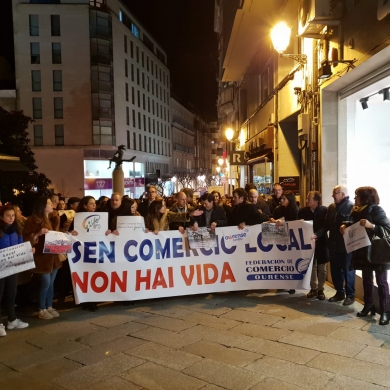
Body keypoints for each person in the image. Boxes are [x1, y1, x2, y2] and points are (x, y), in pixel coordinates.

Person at [341, 186, 390, 325]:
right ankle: (369, 306)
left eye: (357, 196)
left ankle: (385, 311)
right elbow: (356, 225)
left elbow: (387, 230)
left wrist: (372, 226)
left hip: (378, 252)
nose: (355, 198)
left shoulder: (376, 210)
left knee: (381, 282)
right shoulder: (357, 211)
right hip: (363, 251)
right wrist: (345, 225)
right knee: (367, 280)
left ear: (365, 198)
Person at [23, 196, 62, 320]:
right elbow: (26, 238)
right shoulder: (32, 220)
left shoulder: (52, 218)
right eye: (49, 203)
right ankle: (41, 308)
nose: (52, 205)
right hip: (41, 256)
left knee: (51, 283)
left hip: (53, 255)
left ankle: (49, 306)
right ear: (42, 206)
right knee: (45, 283)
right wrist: (38, 234)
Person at [0, 205, 32, 336]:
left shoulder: (17, 229)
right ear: (1, 217)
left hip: (12, 267)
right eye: (8, 215)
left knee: (12, 292)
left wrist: (28, 250)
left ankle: (12, 320)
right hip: (1, 267)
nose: (11, 218)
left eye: (13, 215)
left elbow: (20, 246)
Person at [326, 185, 354, 305]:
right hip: (333, 245)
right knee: (335, 270)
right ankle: (339, 293)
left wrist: (346, 225)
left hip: (346, 246)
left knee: (348, 271)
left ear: (343, 194)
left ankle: (350, 295)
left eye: (335, 193)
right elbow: (326, 224)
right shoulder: (331, 207)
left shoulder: (352, 207)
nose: (333, 196)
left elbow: (355, 224)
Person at [298, 191, 328, 300]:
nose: (306, 201)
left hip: (322, 242)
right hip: (308, 243)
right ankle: (313, 288)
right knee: (312, 267)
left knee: (322, 267)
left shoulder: (324, 210)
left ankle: (321, 289)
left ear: (316, 201)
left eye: (309, 199)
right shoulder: (302, 211)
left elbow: (326, 226)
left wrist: (317, 234)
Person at [271, 190, 299, 295]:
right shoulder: (278, 209)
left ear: (289, 200)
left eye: (284, 199)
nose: (281, 200)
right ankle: (281, 284)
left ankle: (292, 285)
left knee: (290, 263)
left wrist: (283, 222)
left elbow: (296, 223)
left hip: (291, 240)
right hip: (280, 239)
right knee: (281, 262)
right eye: (281, 198)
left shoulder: (295, 209)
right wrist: (272, 220)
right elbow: (272, 216)